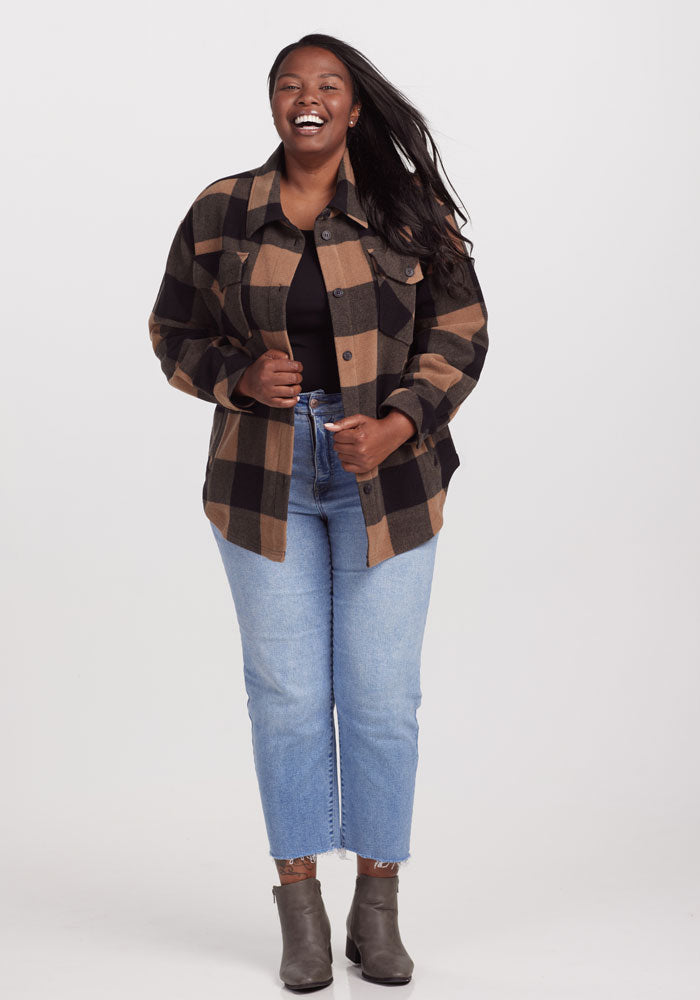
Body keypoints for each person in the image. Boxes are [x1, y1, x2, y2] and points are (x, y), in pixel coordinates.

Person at [148, 32, 489, 992]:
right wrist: (239, 377)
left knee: (381, 699)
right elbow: (172, 330)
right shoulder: (223, 209)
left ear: (353, 105)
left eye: (328, 85)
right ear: (273, 104)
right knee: (288, 698)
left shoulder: (407, 208)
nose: (309, 97)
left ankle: (377, 910)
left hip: (389, 473)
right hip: (262, 480)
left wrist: (398, 422)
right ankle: (300, 910)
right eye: (291, 85)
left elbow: (462, 331)